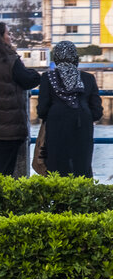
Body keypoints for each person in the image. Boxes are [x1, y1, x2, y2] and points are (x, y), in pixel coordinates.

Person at [0, 20, 40, 178]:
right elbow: (28, 80)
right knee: (2, 177)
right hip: (7, 131)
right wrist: (36, 74)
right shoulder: (8, 59)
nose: (10, 37)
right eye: (7, 33)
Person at [36, 41, 103, 177]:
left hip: (56, 128)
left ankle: (57, 196)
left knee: (56, 167)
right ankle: (81, 196)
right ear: (75, 57)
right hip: (82, 127)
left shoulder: (47, 78)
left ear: (56, 57)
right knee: (81, 166)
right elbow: (97, 112)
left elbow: (42, 110)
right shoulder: (88, 79)